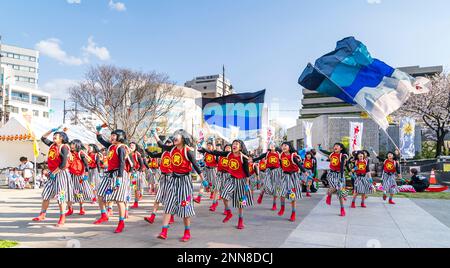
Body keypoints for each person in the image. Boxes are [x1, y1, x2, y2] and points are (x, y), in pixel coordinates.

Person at [154, 129, 205, 242]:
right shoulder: (171, 149)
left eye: (177, 135)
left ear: (183, 138)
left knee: (185, 207)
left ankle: (187, 232)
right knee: (168, 205)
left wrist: (203, 179)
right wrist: (154, 134)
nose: (174, 137)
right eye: (174, 135)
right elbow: (160, 144)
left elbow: (196, 165)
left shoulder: (188, 151)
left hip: (185, 181)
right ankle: (164, 231)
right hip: (173, 180)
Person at [200, 140, 253, 230]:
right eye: (233, 144)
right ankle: (228, 212)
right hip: (231, 179)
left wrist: (247, 184)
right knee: (224, 195)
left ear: (240, 147)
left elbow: (247, 173)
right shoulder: (228, 154)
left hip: (241, 181)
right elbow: (216, 152)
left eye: (236, 144)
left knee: (240, 203)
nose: (234, 145)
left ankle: (240, 220)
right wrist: (205, 150)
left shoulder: (242, 157)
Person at [32, 126, 73, 227]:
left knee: (61, 197)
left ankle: (62, 217)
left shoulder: (64, 147)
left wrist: (53, 173)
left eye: (56, 136)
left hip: (61, 173)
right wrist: (51, 130)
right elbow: (43, 138)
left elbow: (63, 164)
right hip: (52, 173)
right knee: (46, 194)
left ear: (62, 138)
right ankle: (42, 214)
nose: (54, 137)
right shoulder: (52, 145)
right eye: (54, 136)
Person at [94, 126, 132, 234]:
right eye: (111, 135)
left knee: (119, 200)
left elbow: (121, 163)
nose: (111, 137)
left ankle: (121, 222)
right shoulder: (111, 146)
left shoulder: (121, 148)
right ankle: (104, 215)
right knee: (100, 195)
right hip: (109, 173)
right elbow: (100, 139)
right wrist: (99, 130)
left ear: (120, 137)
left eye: (114, 135)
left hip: (119, 174)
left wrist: (119, 178)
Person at [144, 135, 175, 225]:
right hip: (163, 177)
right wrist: (146, 147)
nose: (168, 144)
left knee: (170, 199)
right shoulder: (163, 153)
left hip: (171, 178)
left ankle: (171, 216)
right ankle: (152, 217)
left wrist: (155, 136)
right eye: (167, 143)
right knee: (158, 198)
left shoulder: (174, 153)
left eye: (170, 143)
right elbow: (152, 155)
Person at [278, 142, 306, 222]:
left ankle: (293, 213)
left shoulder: (293, 156)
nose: (283, 147)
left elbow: (299, 165)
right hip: (285, 176)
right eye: (282, 146)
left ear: (289, 147)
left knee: (292, 196)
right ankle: (282, 208)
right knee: (281, 193)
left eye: (285, 145)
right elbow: (281, 165)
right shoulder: (281, 155)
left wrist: (304, 172)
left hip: (293, 177)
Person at [66, 140, 95, 216]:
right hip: (70, 175)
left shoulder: (80, 153)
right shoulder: (68, 153)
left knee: (79, 192)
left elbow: (86, 164)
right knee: (68, 192)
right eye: (71, 144)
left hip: (79, 176)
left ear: (77, 145)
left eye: (73, 144)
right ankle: (70, 209)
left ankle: (82, 208)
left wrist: (86, 174)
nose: (71, 146)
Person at [319, 143, 349, 217]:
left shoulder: (343, 156)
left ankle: (342, 209)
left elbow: (342, 166)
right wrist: (320, 148)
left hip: (340, 174)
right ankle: (329, 195)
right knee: (334, 187)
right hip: (332, 174)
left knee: (340, 193)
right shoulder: (332, 154)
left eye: (337, 146)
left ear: (341, 148)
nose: (335, 147)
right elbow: (326, 152)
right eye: (334, 146)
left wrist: (342, 176)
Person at [254, 143, 282, 211]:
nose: (272, 146)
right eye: (270, 145)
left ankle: (274, 204)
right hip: (268, 171)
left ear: (275, 147)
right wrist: (252, 160)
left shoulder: (278, 154)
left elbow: (282, 162)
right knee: (265, 183)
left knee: (275, 187)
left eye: (273, 145)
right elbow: (259, 157)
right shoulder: (267, 153)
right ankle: (261, 194)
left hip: (276, 171)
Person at [196, 140, 219, 206]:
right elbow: (200, 149)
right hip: (206, 169)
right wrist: (198, 144)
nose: (208, 147)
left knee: (213, 185)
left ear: (212, 147)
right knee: (203, 183)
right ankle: (199, 198)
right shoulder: (205, 153)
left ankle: (212, 194)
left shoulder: (215, 153)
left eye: (210, 146)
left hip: (213, 170)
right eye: (208, 145)